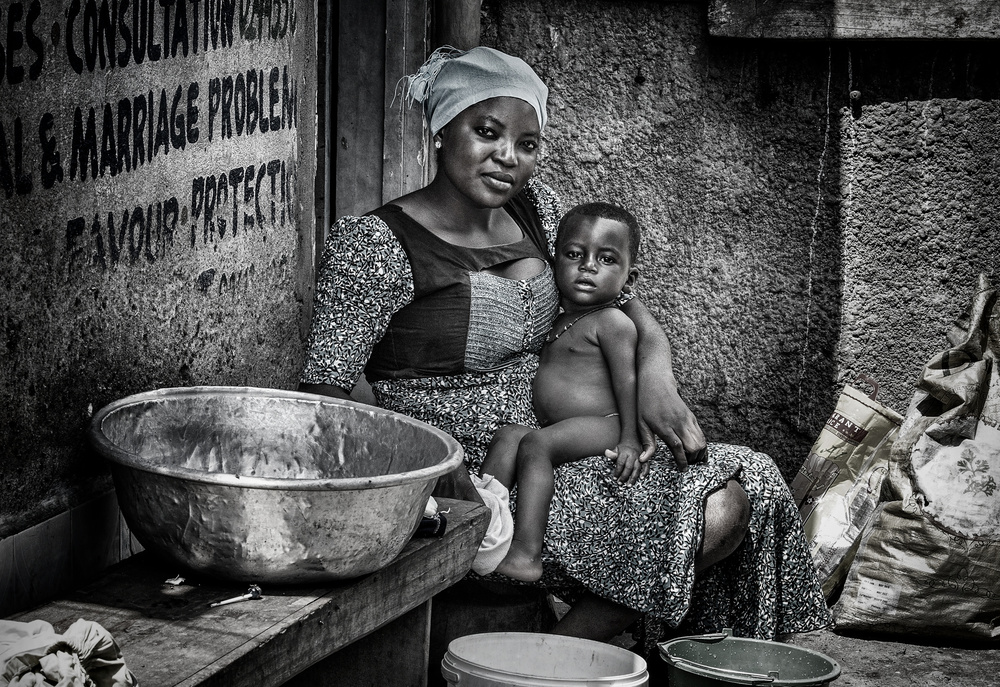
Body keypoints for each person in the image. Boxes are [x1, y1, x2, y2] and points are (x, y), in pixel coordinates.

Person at [299, 45, 830, 645]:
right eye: (487, 132)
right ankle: (545, 665)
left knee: (748, 480)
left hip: (562, 441)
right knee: (712, 509)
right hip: (484, 472)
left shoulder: (537, 211)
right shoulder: (374, 243)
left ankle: (552, 661)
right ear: (441, 130)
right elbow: (325, 391)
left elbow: (618, 298)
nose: (507, 158)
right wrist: (434, 484)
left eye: (526, 143)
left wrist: (656, 374)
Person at [481, 202, 646, 583]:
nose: (588, 266)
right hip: (570, 425)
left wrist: (630, 439)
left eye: (606, 259)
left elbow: (630, 382)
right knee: (509, 436)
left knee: (537, 444)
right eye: (575, 254)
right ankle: (479, 529)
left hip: (606, 424)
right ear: (555, 260)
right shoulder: (558, 316)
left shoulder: (613, 322)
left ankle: (525, 554)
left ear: (629, 278)